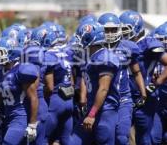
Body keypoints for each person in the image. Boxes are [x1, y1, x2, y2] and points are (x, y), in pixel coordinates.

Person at [0, 37, 39, 145]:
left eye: (0, 52)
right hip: (8, 117)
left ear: (12, 52)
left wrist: (32, 124)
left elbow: (33, 97)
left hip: (20, 117)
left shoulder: (21, 70)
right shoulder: (1, 71)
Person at [98, 12, 147, 145]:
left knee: (121, 137)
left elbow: (136, 72)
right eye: (106, 30)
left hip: (123, 99)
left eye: (113, 29)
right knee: (105, 137)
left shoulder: (127, 47)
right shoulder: (96, 49)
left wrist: (143, 93)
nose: (110, 33)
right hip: (105, 101)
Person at [120, 11, 167, 145]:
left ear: (136, 27)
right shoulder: (120, 45)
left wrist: (156, 83)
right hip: (124, 97)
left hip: (143, 98)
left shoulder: (148, 43)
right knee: (120, 137)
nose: (122, 33)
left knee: (148, 138)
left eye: (125, 29)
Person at [71, 21, 121, 145]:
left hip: (105, 111)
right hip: (93, 109)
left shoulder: (104, 58)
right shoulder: (92, 57)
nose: (79, 42)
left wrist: (92, 114)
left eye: (81, 38)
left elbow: (103, 89)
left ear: (90, 38)